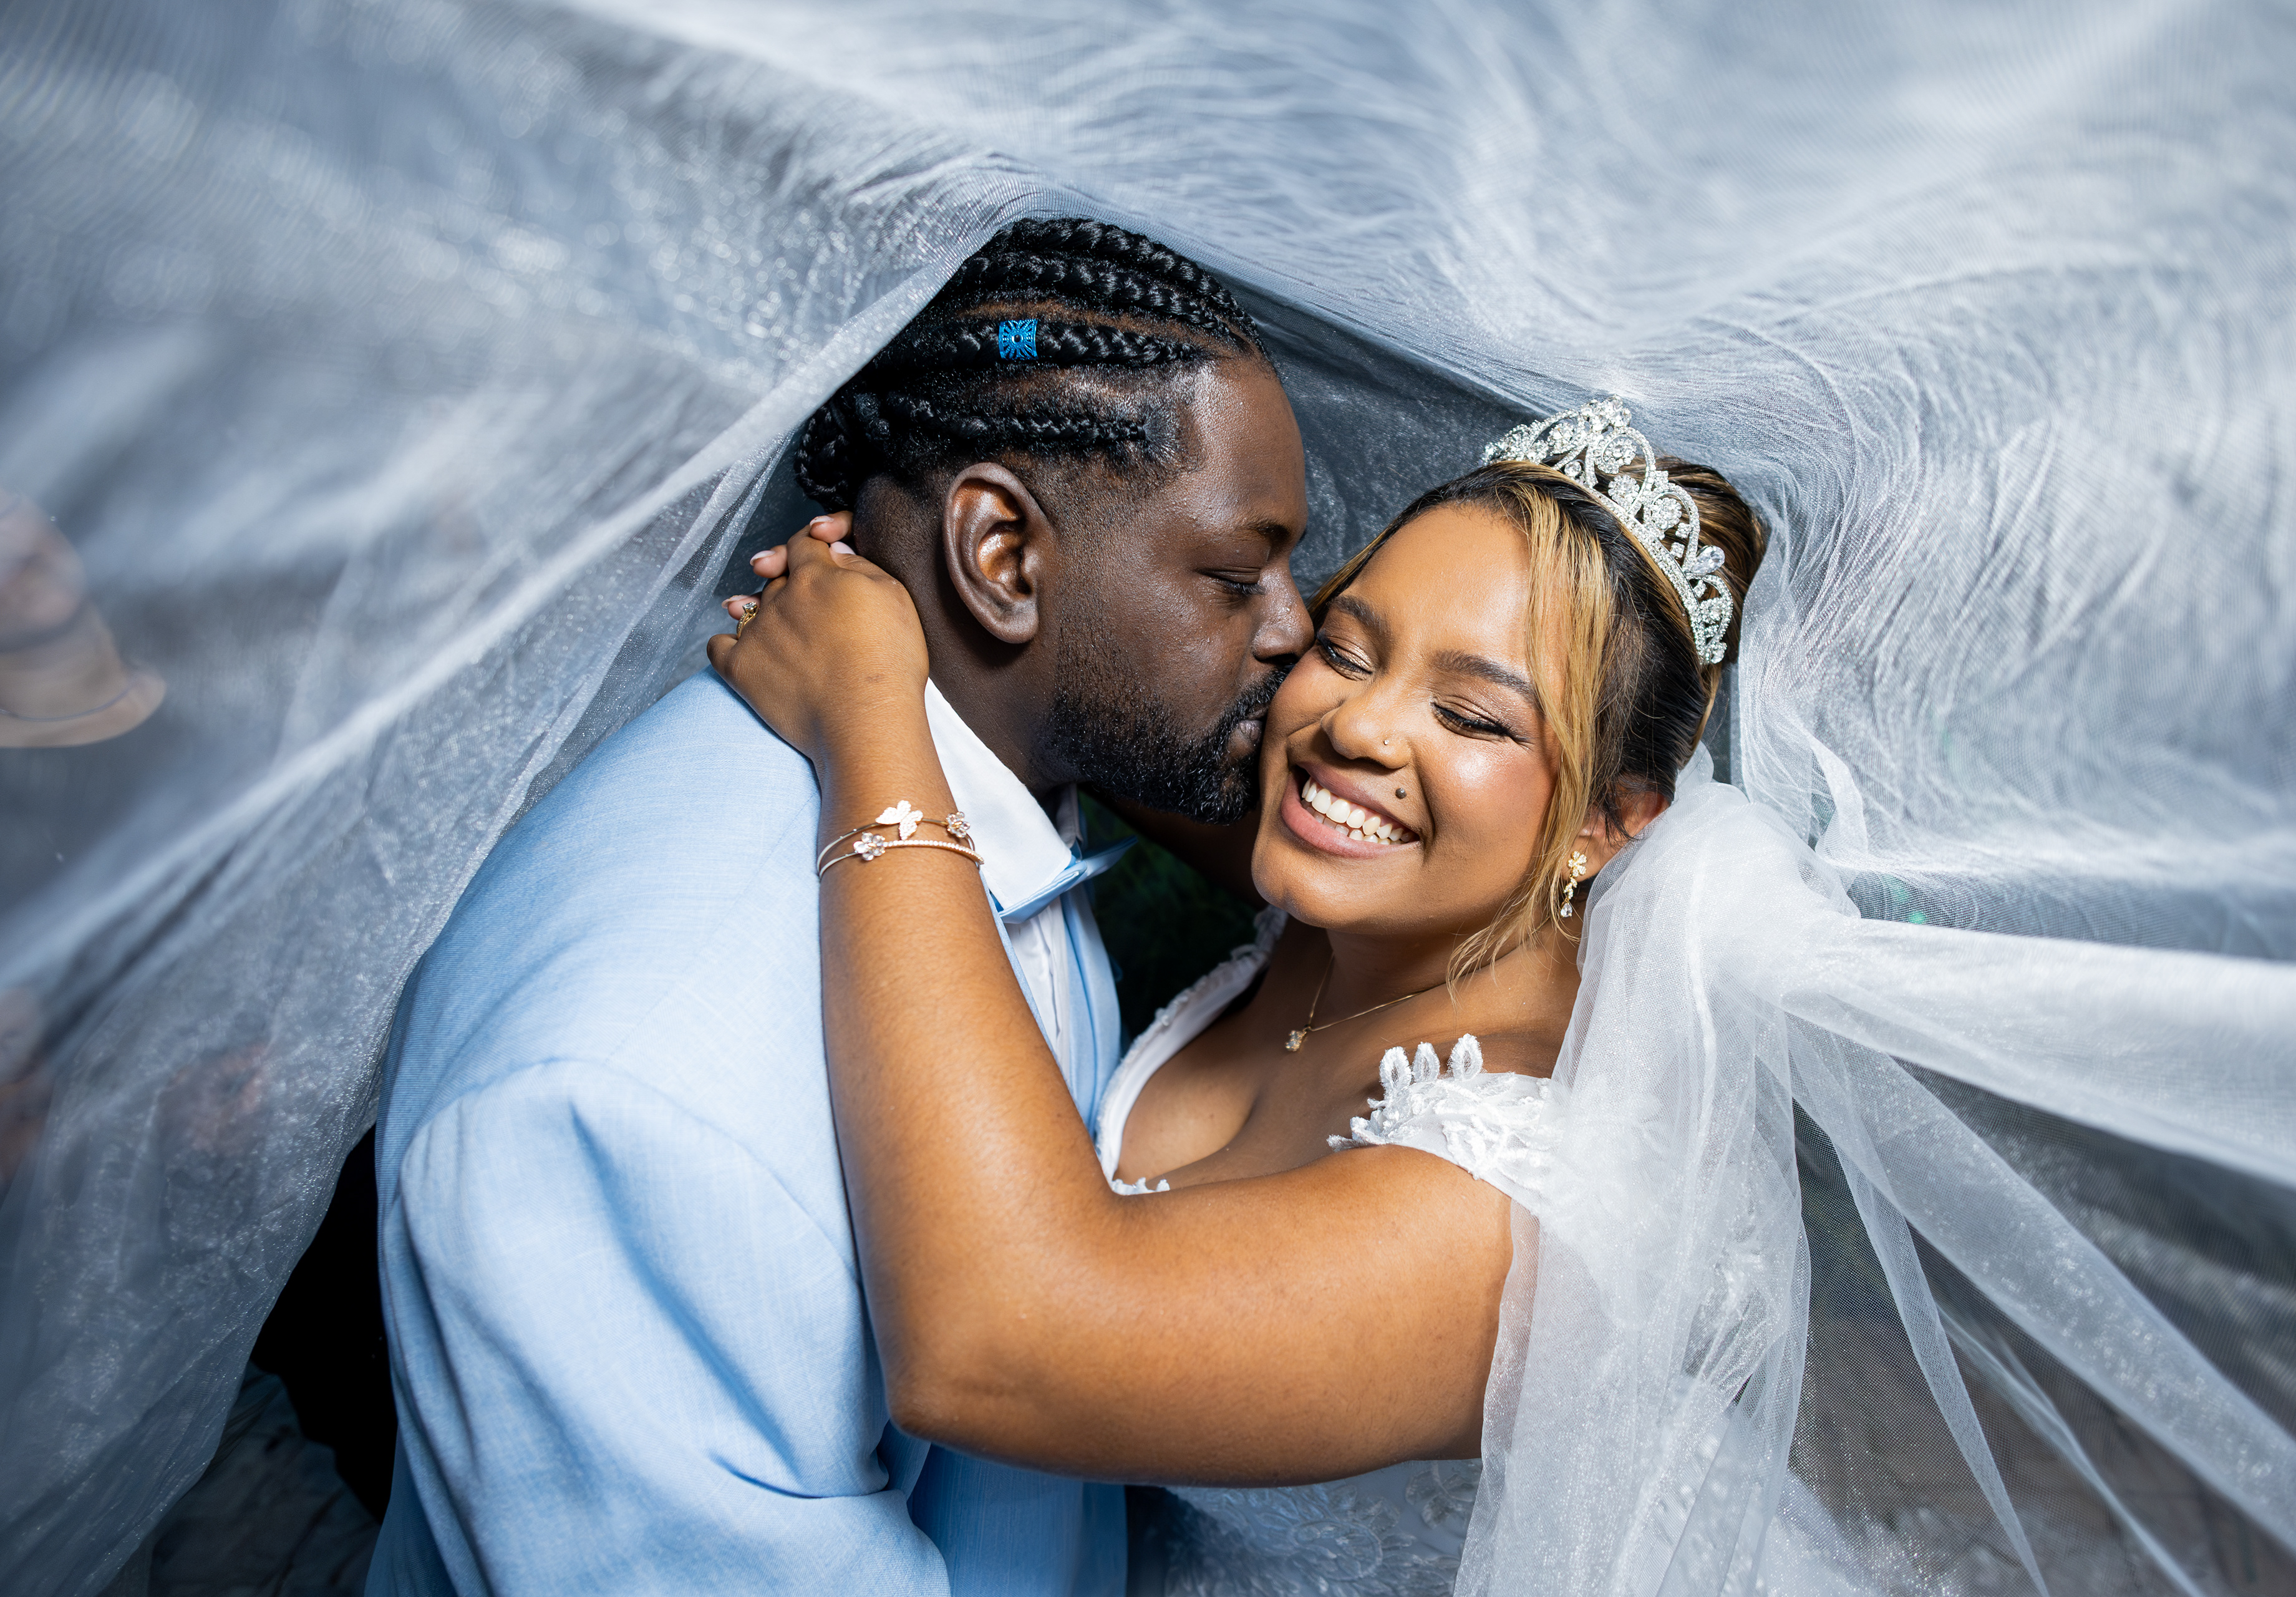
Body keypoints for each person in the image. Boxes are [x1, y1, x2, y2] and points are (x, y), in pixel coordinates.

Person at [368, 219, 1312, 1597]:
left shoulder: (998, 791)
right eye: (1236, 575)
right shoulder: (624, 1097)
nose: (1294, 628)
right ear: (1002, 554)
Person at [712, 397, 1771, 1593]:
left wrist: (863, 708)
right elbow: (1065, 688)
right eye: (1349, 649)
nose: (1355, 729)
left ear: (1608, 823)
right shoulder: (1369, 876)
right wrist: (909, 578)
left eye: (1471, 716)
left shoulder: (1516, 1216)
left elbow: (994, 1348)